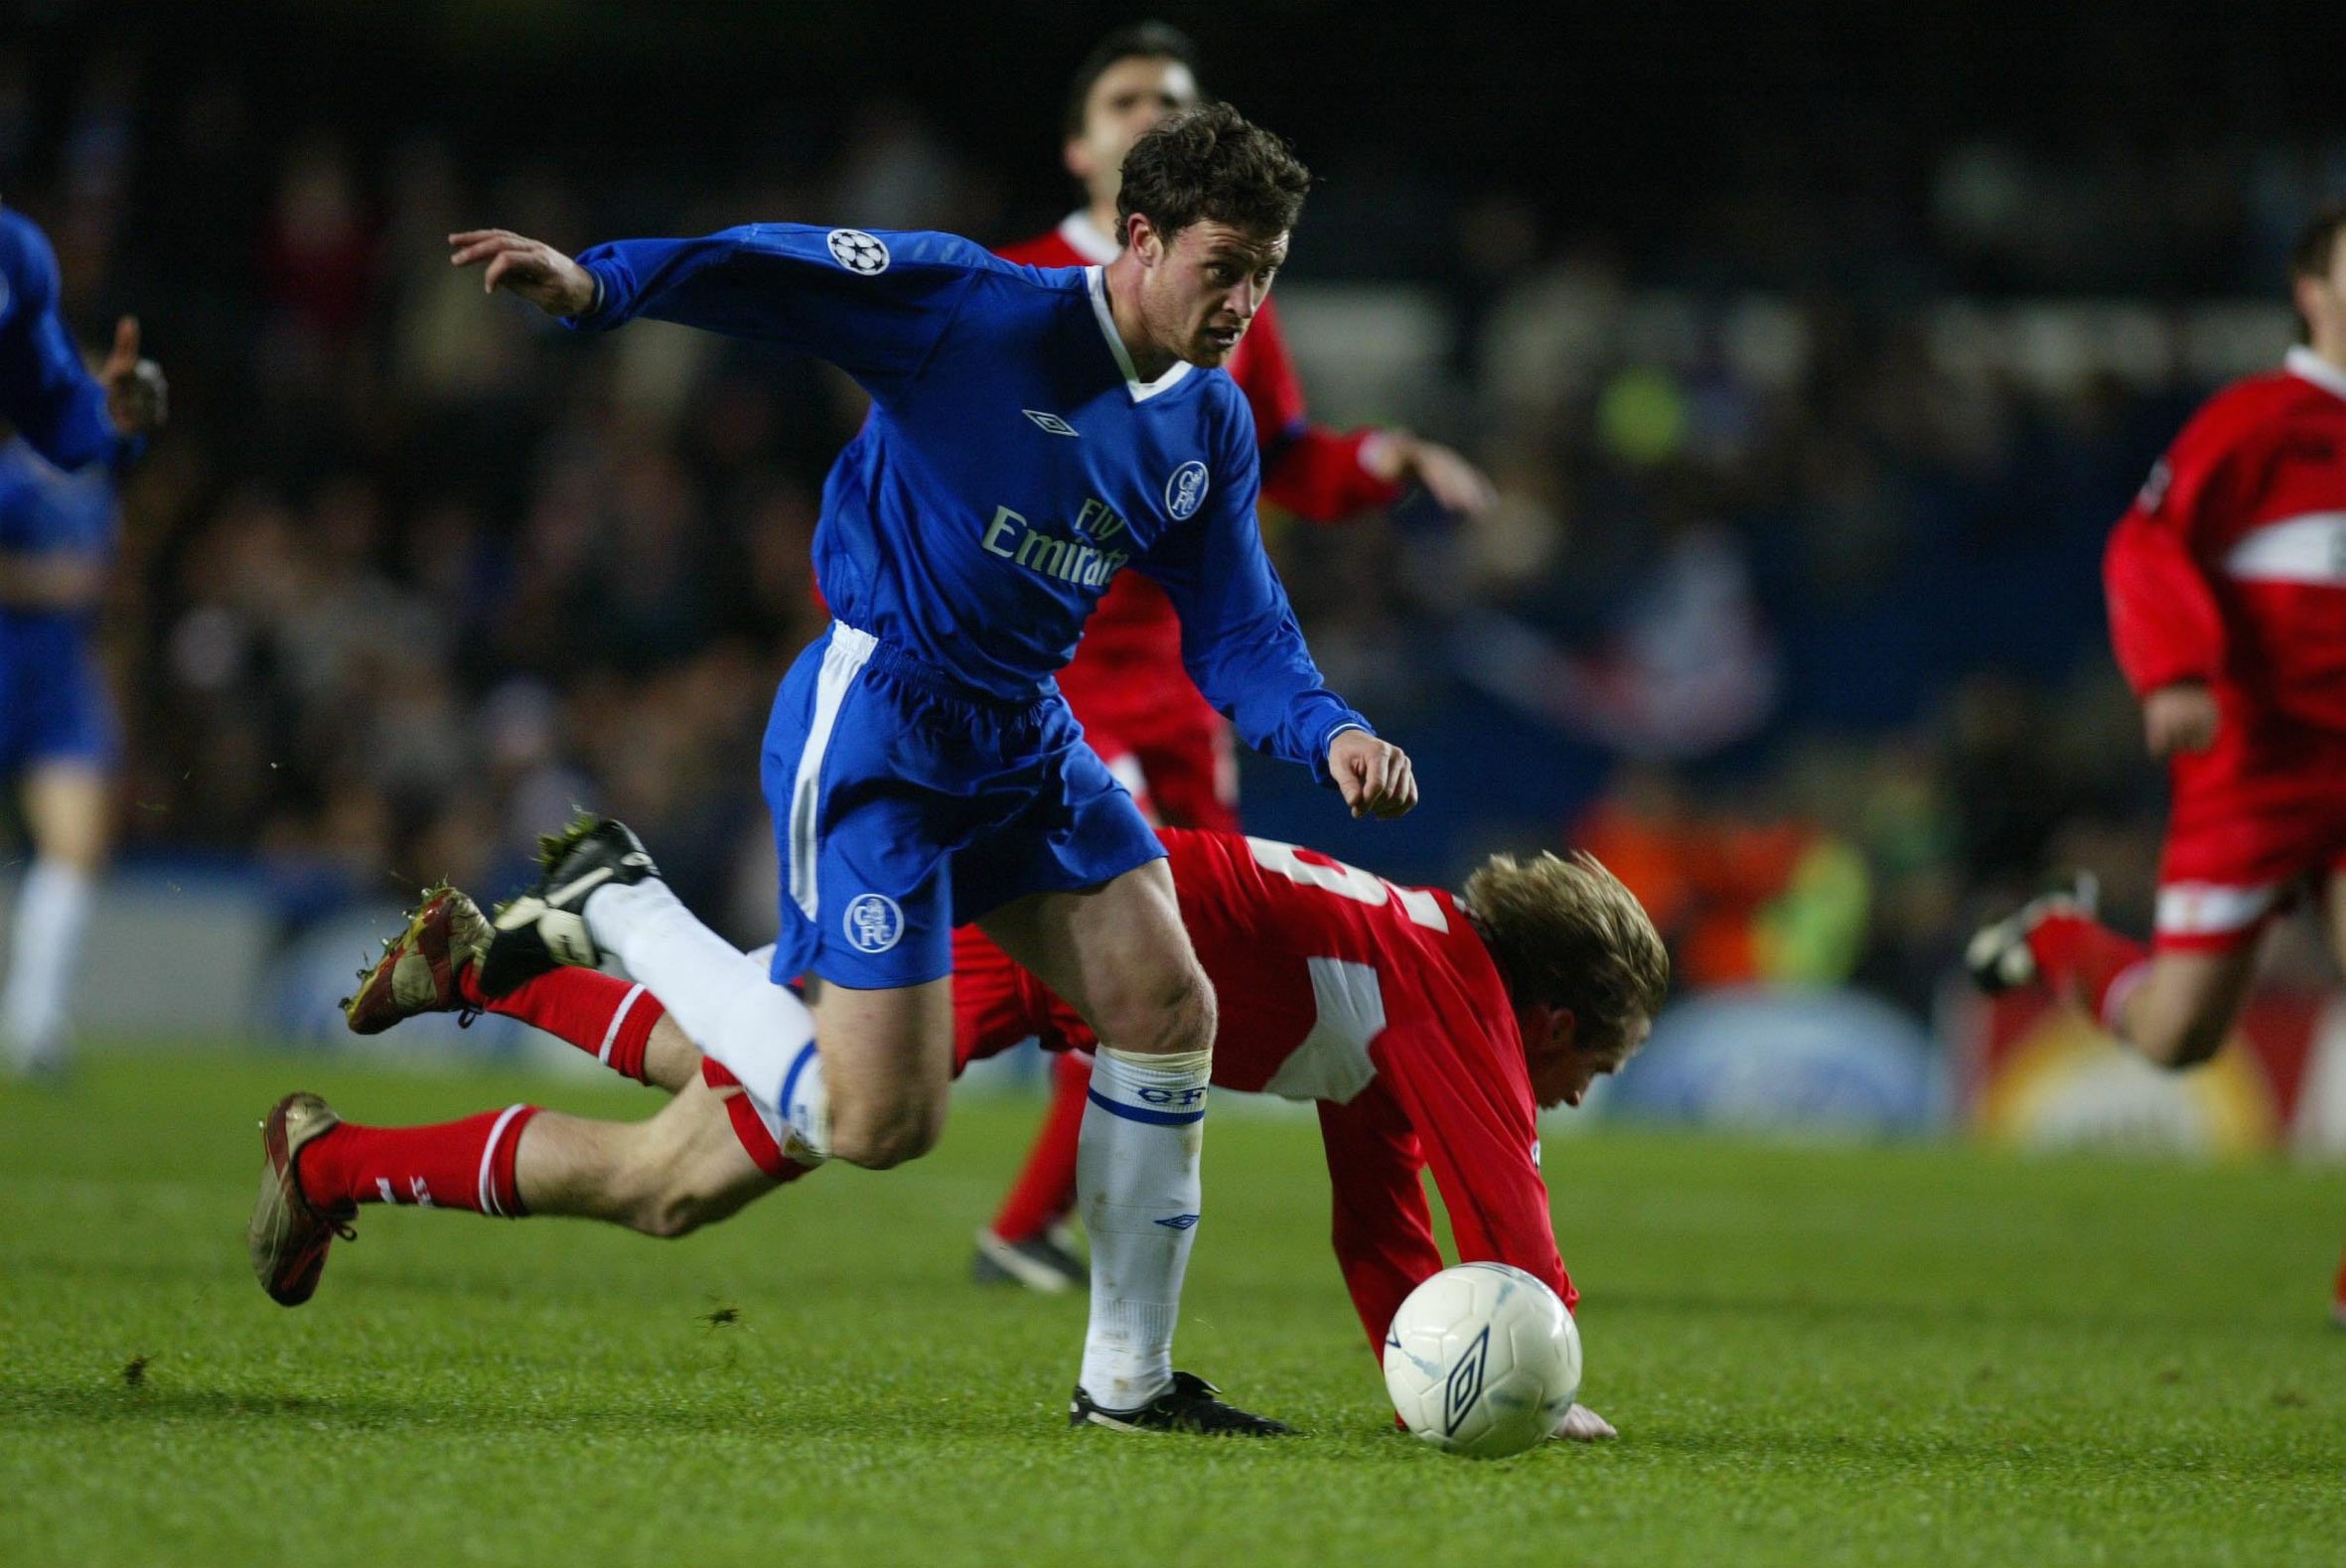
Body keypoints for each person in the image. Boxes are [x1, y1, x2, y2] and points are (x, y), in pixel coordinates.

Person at [252, 106, 1419, 1435]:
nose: (1245, 300)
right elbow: (778, 269)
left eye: (1267, 270)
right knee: (848, 1132)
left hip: (1023, 740)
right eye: (1226, 267)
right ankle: (619, 902)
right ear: (1140, 239)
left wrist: (1324, 727)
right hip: (881, 728)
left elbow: (1240, 628)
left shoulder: (1209, 422)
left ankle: (1129, 1382)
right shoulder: (974, 312)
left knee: (1157, 1004)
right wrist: (598, 285)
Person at [256, 823, 1661, 1442]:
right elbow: (1510, 1216)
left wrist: (1412, 1363)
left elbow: (1384, 1220)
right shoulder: (1458, 995)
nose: (1580, 1088)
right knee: (667, 1178)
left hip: (1059, 933)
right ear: (1548, 1013)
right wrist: (1547, 1371)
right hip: (1045, 931)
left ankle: (500, 967)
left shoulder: (1412, 972)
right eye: (1593, 1058)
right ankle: (331, 1152)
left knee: (716, 1072)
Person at [973, 23, 1498, 1291]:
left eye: (1176, 98)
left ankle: (1072, 1239)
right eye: (1128, 97)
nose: (1154, 109)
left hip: (1186, 687)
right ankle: (1040, 1226)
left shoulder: (1231, 304)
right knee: (1120, 954)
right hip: (1054, 688)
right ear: (1083, 145)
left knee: (1184, 970)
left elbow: (1292, 458)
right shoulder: (1014, 287)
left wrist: (1388, 461)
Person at [1965, 202, 2346, 1323]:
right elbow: (2147, 540)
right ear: (2308, 292)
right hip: (2253, 774)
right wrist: (2174, 670)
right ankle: (2058, 937)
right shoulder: (2258, 422)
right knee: (2180, 1034)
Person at [0, 202, 166, 1076]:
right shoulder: (13, 478)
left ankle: (33, 1027)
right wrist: (46, 583)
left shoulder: (96, 479)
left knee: (74, 847)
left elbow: (105, 588)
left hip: (61, 680)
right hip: (2, 665)